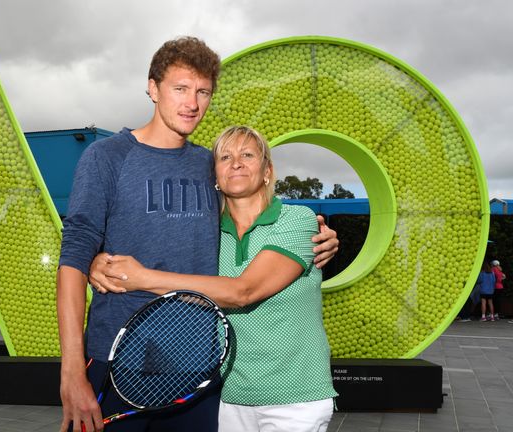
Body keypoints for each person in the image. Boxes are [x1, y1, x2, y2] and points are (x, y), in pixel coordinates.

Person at [57, 37, 339, 432]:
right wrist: (71, 370)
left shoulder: (211, 166)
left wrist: (323, 235)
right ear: (153, 88)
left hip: (199, 369)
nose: (192, 103)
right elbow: (73, 256)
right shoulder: (106, 158)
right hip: (117, 361)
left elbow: (254, 217)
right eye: (180, 88)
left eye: (203, 92)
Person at [92, 126, 337, 432]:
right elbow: (189, 288)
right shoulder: (207, 233)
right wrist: (98, 261)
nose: (236, 163)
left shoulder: (297, 220)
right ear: (216, 178)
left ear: (267, 171)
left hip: (296, 400)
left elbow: (244, 291)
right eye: (225, 157)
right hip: (230, 399)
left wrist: (140, 277)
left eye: (248, 155)